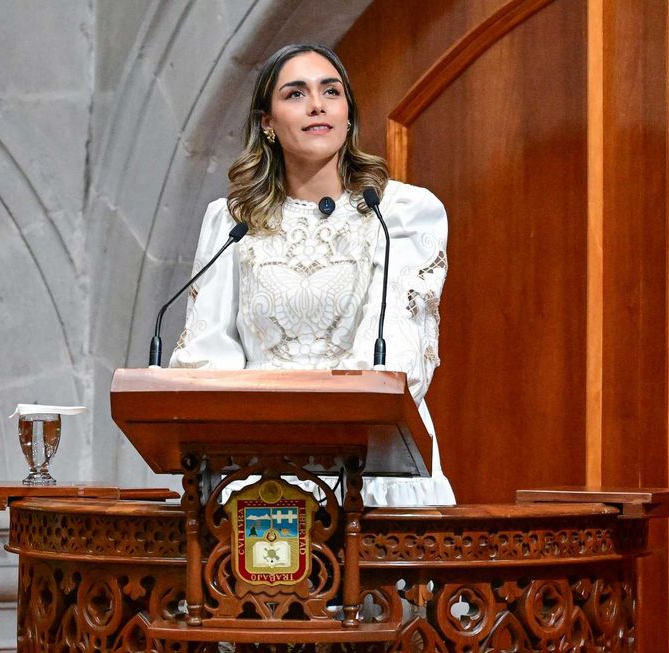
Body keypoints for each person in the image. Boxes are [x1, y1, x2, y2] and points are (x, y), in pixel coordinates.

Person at [169, 44, 455, 506]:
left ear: (347, 115)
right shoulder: (231, 221)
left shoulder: (401, 213)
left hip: (373, 474)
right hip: (255, 474)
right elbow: (207, 359)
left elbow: (397, 359)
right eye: (296, 94)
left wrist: (319, 434)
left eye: (331, 91)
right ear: (267, 122)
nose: (317, 104)